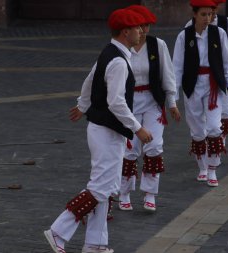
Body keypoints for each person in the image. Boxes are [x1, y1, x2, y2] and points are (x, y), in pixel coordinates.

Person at [43, 9, 153, 253]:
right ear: (126, 32)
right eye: (138, 28)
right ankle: (59, 231)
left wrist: (83, 105)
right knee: (100, 187)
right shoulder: (118, 61)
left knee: (108, 186)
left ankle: (95, 243)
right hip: (106, 131)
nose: (142, 32)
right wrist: (138, 128)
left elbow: (90, 79)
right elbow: (116, 102)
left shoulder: (110, 52)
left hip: (104, 130)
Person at [117, 5, 181, 212]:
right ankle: (124, 192)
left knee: (154, 146)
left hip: (153, 101)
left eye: (147, 25)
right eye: (140, 25)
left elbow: (168, 74)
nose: (144, 29)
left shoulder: (158, 45)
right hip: (129, 102)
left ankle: (150, 194)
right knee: (130, 149)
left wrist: (171, 103)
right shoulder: (123, 47)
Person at [172, 0, 228, 187]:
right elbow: (176, 67)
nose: (207, 18)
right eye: (203, 14)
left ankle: (213, 169)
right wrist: (173, 98)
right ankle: (202, 167)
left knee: (215, 127)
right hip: (192, 85)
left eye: (210, 14)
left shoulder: (220, 33)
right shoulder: (184, 36)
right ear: (194, 14)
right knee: (198, 129)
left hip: (214, 85)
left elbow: (226, 63)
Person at [185, 0, 228, 141]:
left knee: (224, 112)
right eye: (206, 12)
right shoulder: (190, 27)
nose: (211, 14)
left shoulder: (226, 24)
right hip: (197, 79)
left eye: (214, 9)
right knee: (201, 116)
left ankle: (217, 144)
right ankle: (204, 144)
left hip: (220, 76)